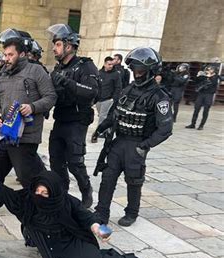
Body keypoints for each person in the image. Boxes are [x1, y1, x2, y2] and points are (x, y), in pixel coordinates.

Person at [0, 168, 157, 258]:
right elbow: (1, 192)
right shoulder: (26, 201)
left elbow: (86, 216)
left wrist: (98, 229)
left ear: (55, 193)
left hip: (71, 242)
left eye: (45, 193)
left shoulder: (66, 202)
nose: (40, 196)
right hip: (48, 245)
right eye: (38, 191)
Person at [92, 47, 173, 227]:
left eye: (141, 70)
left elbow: (165, 128)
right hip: (118, 142)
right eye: (134, 69)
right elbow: (114, 113)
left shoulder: (160, 97)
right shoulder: (128, 89)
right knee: (107, 179)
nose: (137, 74)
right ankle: (101, 212)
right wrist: (100, 128)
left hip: (137, 145)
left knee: (134, 181)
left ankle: (132, 212)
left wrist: (145, 145)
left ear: (150, 71)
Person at [0, 36, 57, 216]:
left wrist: (33, 107)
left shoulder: (36, 71)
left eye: (10, 54)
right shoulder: (3, 73)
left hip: (26, 137)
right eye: (5, 54)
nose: (6, 58)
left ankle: (37, 212)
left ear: (22, 54)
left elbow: (51, 96)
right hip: (3, 134)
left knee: (27, 178)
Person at [46, 24, 99, 208]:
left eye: (58, 44)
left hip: (77, 123)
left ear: (69, 46)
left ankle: (86, 190)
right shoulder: (58, 68)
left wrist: (67, 82)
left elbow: (91, 92)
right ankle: (62, 195)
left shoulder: (86, 66)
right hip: (60, 120)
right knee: (56, 161)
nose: (54, 48)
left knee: (75, 162)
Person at [93, 56, 122, 132]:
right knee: (101, 115)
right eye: (109, 64)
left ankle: (99, 132)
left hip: (108, 99)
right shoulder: (99, 73)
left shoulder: (116, 74)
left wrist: (113, 99)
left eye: (112, 64)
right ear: (105, 64)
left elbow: (118, 87)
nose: (111, 66)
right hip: (98, 99)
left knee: (103, 116)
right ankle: (107, 129)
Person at [186, 65, 219, 130]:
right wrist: (199, 76)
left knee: (206, 111)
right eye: (208, 69)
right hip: (201, 94)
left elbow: (213, 83)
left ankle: (201, 125)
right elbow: (196, 82)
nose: (208, 71)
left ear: (214, 71)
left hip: (209, 95)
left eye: (210, 69)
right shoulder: (203, 76)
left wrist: (210, 77)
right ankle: (193, 124)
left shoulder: (216, 77)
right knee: (196, 109)